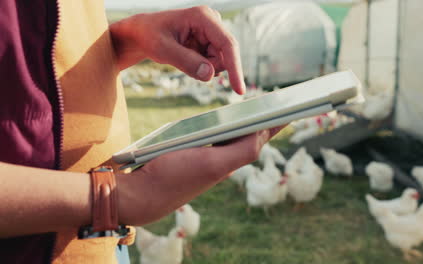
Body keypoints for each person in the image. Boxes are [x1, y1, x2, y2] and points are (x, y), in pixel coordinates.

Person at [0, 1, 284, 263]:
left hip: (108, 241)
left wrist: (129, 39)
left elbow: (34, 62)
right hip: (38, 251)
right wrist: (123, 197)